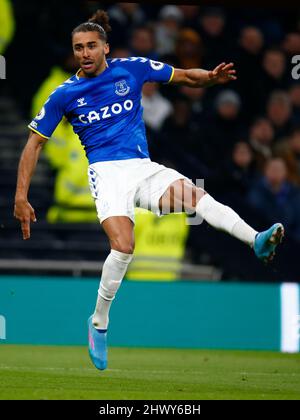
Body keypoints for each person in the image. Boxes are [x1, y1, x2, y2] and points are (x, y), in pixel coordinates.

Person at [14, 9, 284, 371]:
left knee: (195, 196)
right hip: (106, 174)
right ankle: (98, 323)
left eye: (91, 45)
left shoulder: (132, 68)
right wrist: (20, 196)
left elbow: (186, 76)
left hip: (143, 167)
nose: (84, 53)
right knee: (124, 247)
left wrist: (211, 79)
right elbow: (33, 145)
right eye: (78, 47)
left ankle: (256, 240)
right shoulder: (65, 94)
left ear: (106, 47)